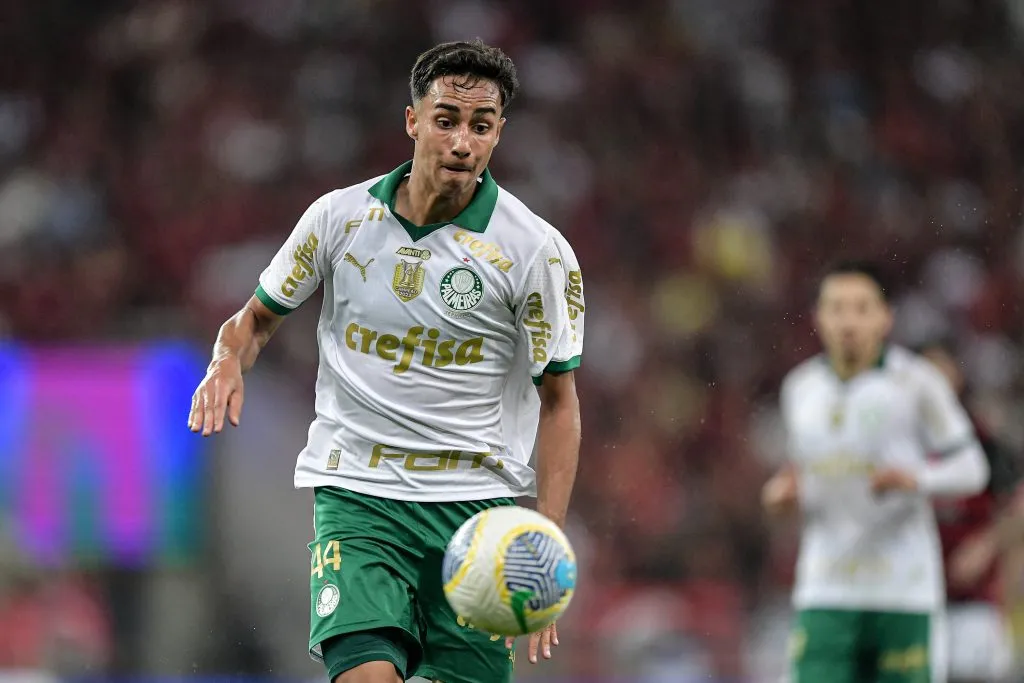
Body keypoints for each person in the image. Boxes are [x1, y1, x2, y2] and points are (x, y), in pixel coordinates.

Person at [187, 39, 584, 683]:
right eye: (446, 120)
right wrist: (226, 360)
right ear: (412, 120)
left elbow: (560, 400)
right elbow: (253, 321)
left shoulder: (535, 251)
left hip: (477, 513)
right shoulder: (338, 219)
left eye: (480, 127)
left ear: (498, 133)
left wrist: (543, 543)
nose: (461, 142)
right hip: (359, 492)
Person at [762, 260, 990, 683]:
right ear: (818, 318)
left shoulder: (918, 383)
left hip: (901, 589)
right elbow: (804, 475)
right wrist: (784, 495)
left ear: (886, 318)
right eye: (837, 308)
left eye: (862, 308)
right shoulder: (801, 389)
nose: (849, 321)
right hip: (825, 588)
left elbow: (973, 468)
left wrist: (917, 479)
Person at [919, 340, 1024, 683]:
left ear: (957, 377)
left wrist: (986, 544)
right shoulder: (900, 443)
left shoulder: (981, 441)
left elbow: (1018, 509)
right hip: (913, 602)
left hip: (972, 605)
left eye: (940, 372)